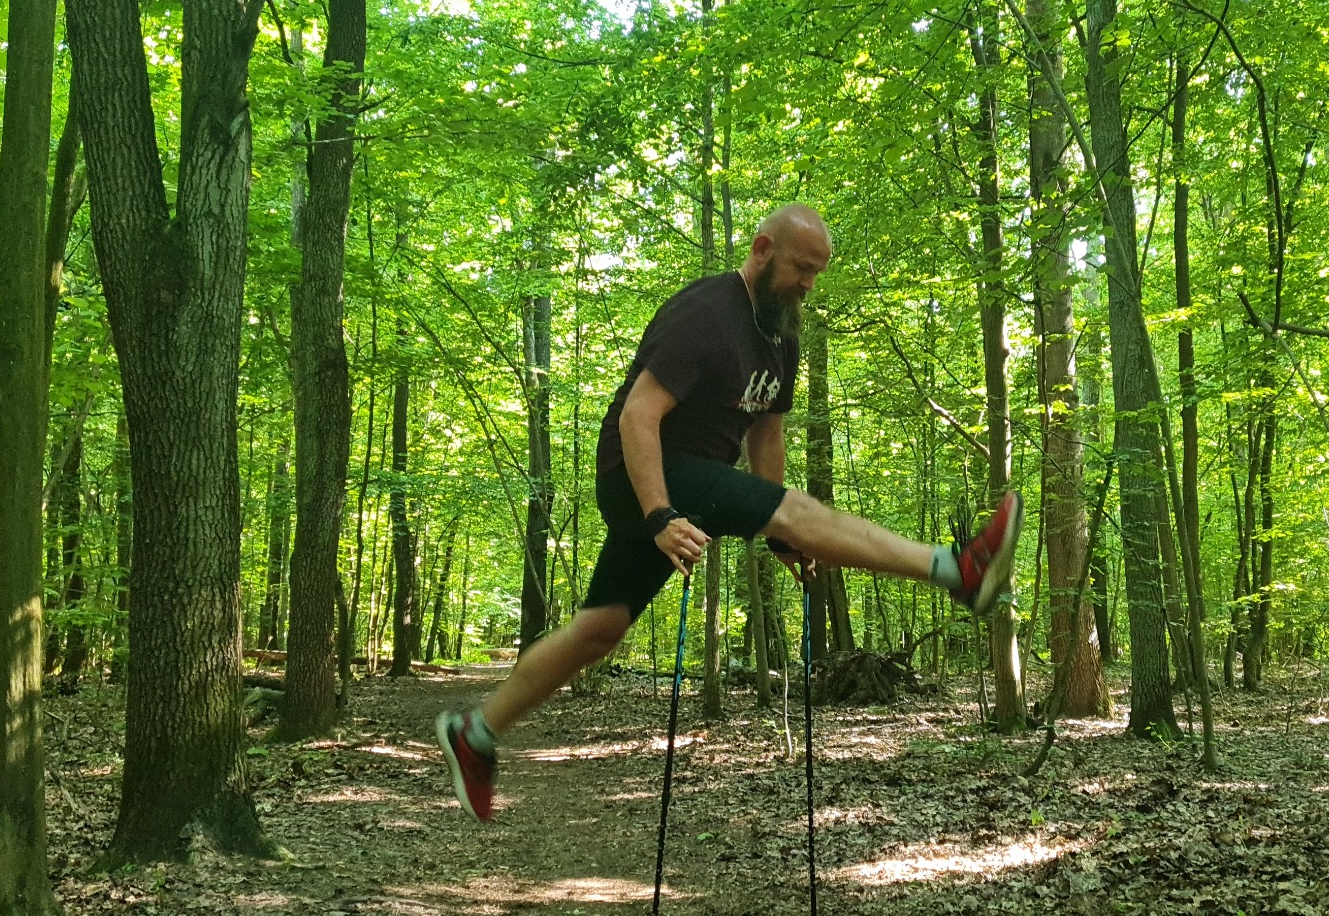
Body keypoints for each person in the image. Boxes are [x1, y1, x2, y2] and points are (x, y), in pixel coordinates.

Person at [435, 204, 1022, 821]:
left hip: (688, 487)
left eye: (817, 274)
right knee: (798, 510)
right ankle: (958, 569)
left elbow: (767, 434)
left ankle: (476, 732)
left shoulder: (781, 332)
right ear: (762, 250)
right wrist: (661, 515)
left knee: (600, 628)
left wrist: (781, 536)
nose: (807, 284)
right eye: (800, 268)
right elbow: (638, 415)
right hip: (642, 474)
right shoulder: (706, 313)